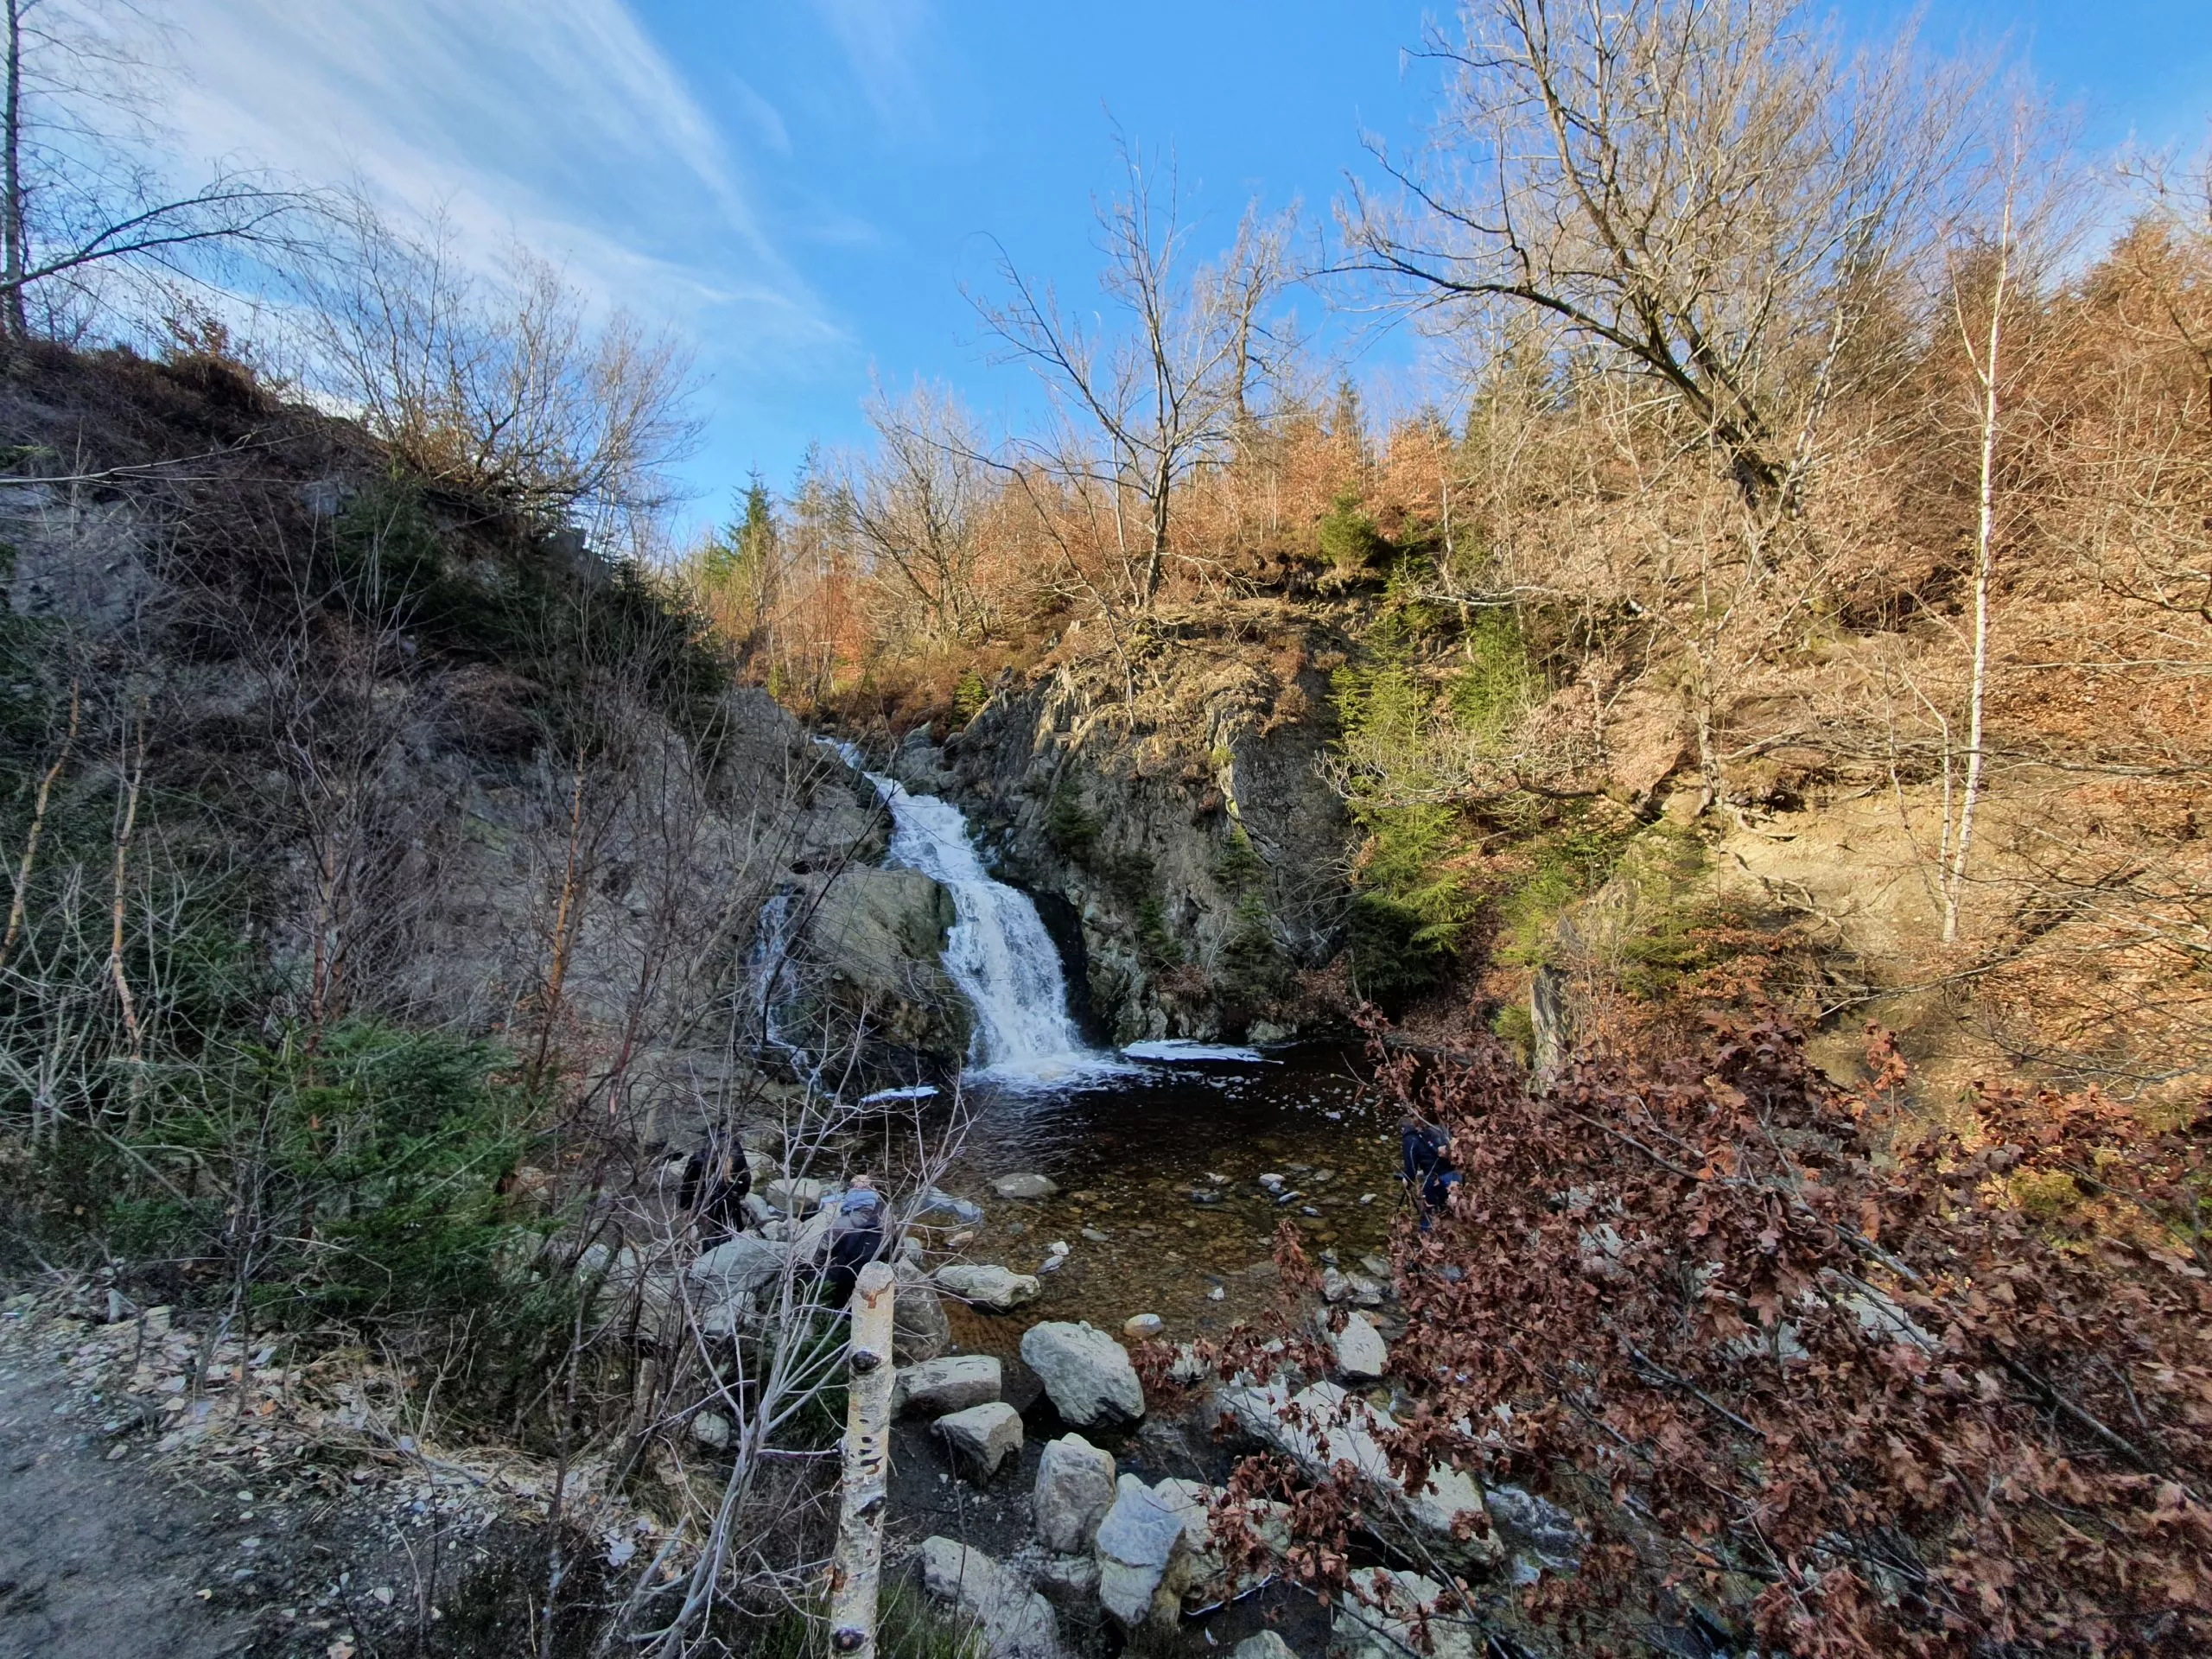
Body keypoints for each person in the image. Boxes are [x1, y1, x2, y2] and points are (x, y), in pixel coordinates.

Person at [823, 1173, 887, 1306]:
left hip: (845, 1278)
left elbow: (822, 1254)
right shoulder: (886, 1217)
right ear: (873, 1189)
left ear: (851, 1191)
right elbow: (896, 1251)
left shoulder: (840, 1224)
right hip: (877, 1280)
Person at [680, 1133, 752, 1250]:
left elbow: (687, 1185)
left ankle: (709, 1255)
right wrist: (739, 1192)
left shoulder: (698, 1160)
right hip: (728, 1205)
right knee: (729, 1235)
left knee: (710, 1236)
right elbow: (745, 1182)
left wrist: (687, 1207)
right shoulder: (736, 1156)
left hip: (706, 1206)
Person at [1400, 1115, 1461, 1231]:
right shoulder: (1435, 1129)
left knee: (1430, 1213)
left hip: (1437, 1179)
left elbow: (1411, 1164)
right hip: (1456, 1174)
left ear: (1403, 1129)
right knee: (1454, 1213)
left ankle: (1427, 1237)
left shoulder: (1410, 1138)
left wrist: (1407, 1179)